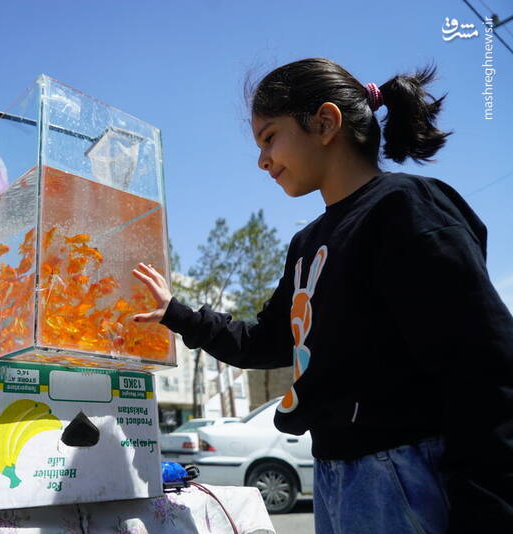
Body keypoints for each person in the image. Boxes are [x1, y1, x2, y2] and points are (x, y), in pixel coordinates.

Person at [131, 58, 513, 533]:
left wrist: (487, 510)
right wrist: (177, 313)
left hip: (401, 473)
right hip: (334, 475)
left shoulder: (405, 208)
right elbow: (266, 343)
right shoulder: (306, 244)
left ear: (325, 123)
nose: (262, 160)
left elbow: (483, 370)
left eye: (269, 137)